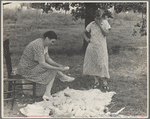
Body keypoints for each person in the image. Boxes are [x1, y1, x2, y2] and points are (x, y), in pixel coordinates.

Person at [17, 31, 75, 101]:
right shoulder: (38, 45)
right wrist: (57, 68)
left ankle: (62, 77)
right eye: (52, 41)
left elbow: (47, 58)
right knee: (52, 70)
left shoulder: (44, 43)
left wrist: (58, 65)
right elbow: (42, 64)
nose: (53, 44)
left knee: (53, 68)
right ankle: (48, 93)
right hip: (27, 70)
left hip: (32, 66)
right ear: (47, 38)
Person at [83, 9, 111, 91]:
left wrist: (99, 24)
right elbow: (84, 32)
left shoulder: (105, 23)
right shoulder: (91, 24)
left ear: (102, 17)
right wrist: (87, 39)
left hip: (101, 47)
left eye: (100, 18)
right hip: (92, 46)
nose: (98, 19)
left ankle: (105, 83)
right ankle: (96, 81)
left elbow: (106, 33)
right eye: (96, 18)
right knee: (93, 63)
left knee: (102, 64)